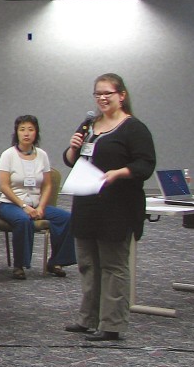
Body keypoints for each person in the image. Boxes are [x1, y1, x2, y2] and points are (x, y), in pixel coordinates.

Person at [62, 74, 155, 341]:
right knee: (88, 264)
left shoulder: (133, 129)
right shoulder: (90, 125)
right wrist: (72, 147)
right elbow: (71, 160)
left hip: (117, 207)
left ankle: (111, 323)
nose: (102, 98)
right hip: (87, 204)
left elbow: (145, 165)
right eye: (98, 94)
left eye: (107, 94)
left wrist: (119, 172)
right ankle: (87, 318)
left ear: (121, 95)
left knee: (113, 265)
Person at [0, 115, 76, 280]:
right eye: (22, 130)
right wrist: (24, 206)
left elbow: (47, 185)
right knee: (23, 220)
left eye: (30, 130)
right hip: (11, 204)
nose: (26, 133)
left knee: (66, 218)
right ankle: (20, 265)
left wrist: (40, 207)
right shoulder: (8, 155)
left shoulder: (42, 155)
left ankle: (56, 261)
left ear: (36, 133)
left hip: (36, 204)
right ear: (16, 133)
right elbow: (4, 186)